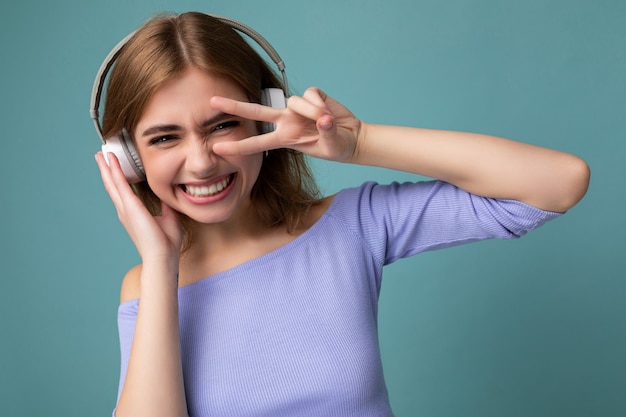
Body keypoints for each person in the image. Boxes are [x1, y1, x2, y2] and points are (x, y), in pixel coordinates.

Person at [93, 11, 590, 417]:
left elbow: (558, 183)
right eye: (164, 137)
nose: (201, 161)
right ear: (129, 160)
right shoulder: (147, 285)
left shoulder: (352, 227)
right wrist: (162, 264)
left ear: (268, 112)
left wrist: (362, 142)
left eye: (224, 125)